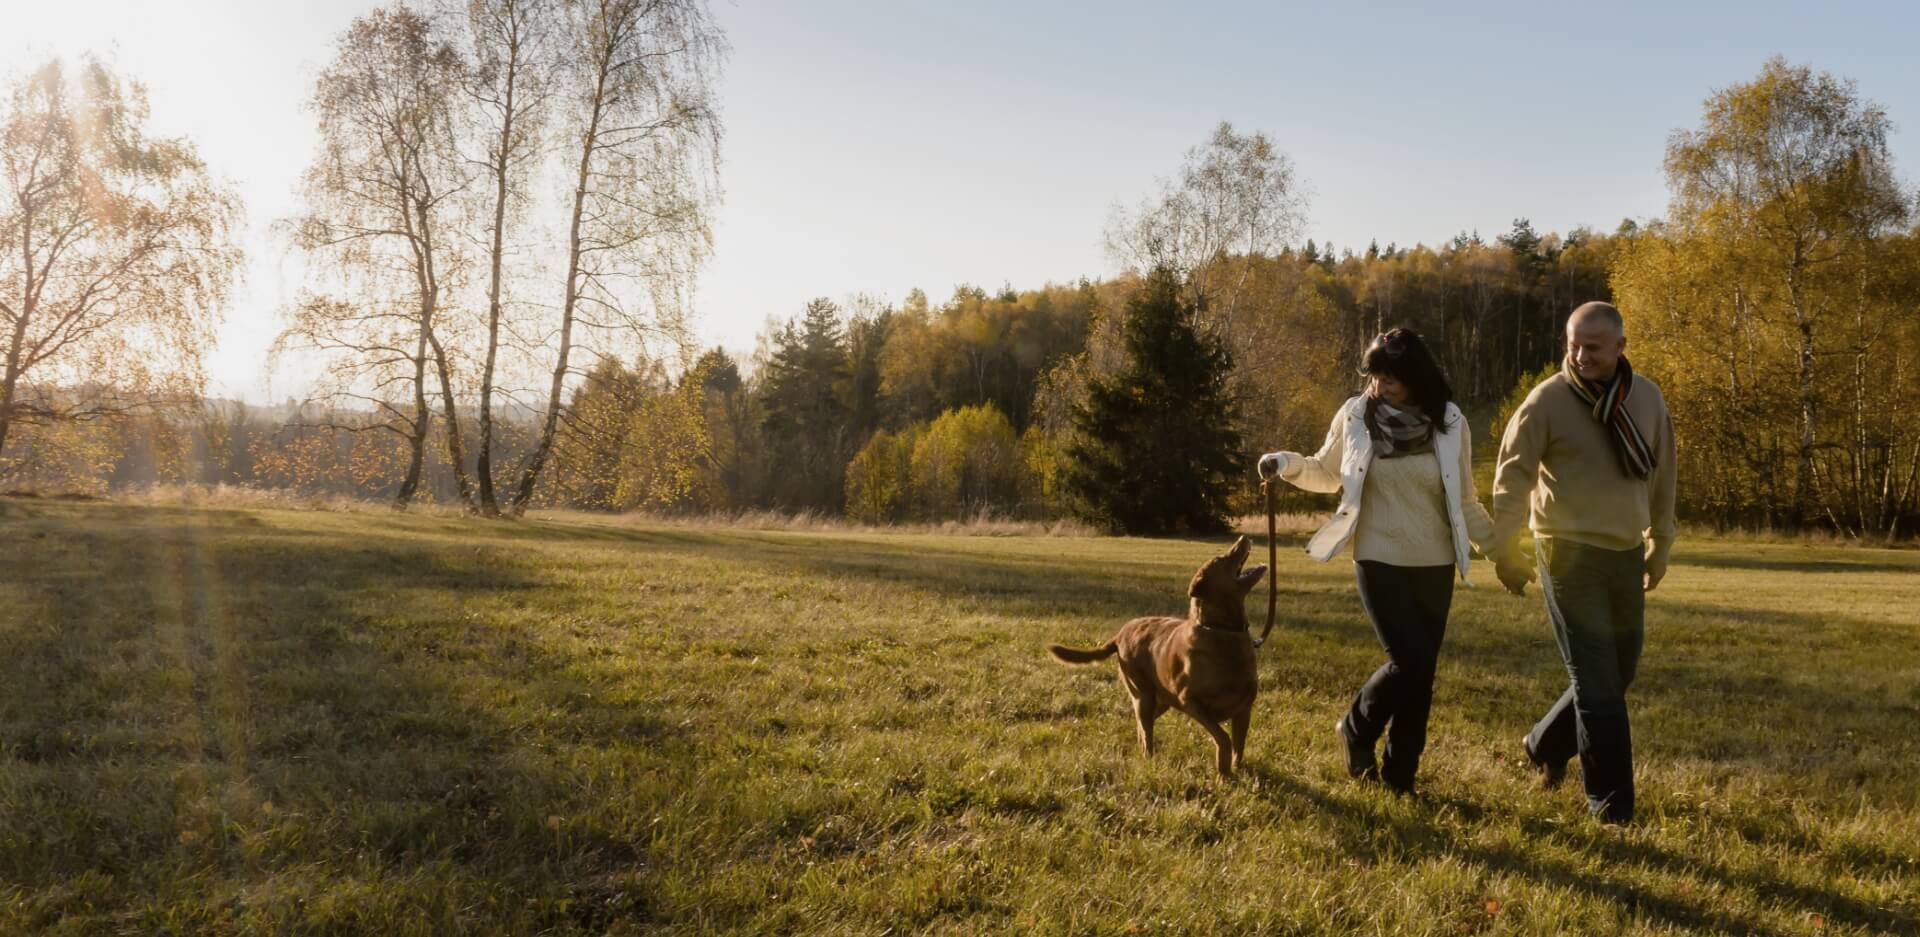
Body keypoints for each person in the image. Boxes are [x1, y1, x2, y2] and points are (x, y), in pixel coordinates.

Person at [1258, 328, 1494, 794]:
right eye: (1374, 376)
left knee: (1422, 674)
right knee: (1409, 660)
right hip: (1376, 554)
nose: (1379, 386)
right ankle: (1356, 727)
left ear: (1416, 378)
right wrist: (1283, 463)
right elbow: (1327, 472)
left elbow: (1465, 500)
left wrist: (1502, 551)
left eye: (1391, 378)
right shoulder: (1356, 415)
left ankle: (1401, 777)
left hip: (1435, 562)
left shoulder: (1449, 421)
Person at [1488, 301, 1677, 825]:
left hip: (1624, 551)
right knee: (1597, 686)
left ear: (1621, 347)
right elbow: (1511, 478)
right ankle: (1611, 808)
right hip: (1566, 552)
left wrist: (1661, 542)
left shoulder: (1647, 398)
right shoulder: (1547, 400)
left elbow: (1663, 476)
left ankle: (1543, 744)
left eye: (1593, 347)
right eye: (1573, 344)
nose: (1580, 355)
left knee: (1618, 673)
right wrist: (1505, 549)